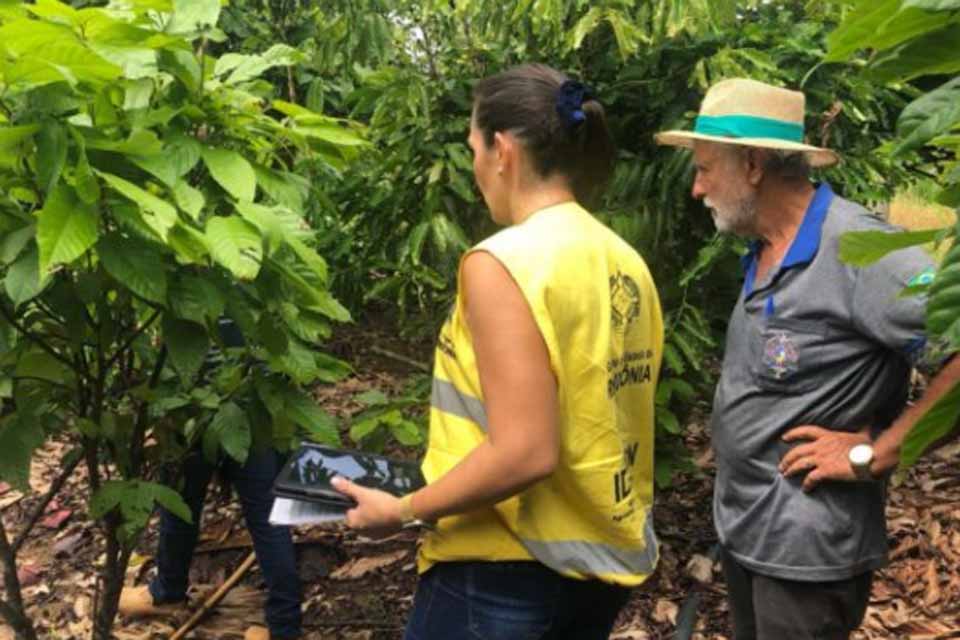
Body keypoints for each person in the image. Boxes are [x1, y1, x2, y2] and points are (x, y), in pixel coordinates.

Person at [331, 64, 663, 639]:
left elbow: (526, 451)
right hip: (595, 570)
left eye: (473, 148)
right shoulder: (623, 260)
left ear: (502, 150)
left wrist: (403, 511)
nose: (475, 166)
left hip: (502, 573)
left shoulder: (504, 262)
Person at [655, 78, 960, 639]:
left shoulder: (857, 250)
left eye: (704, 169)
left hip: (807, 554)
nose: (697, 189)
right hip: (750, 535)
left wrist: (878, 451)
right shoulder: (767, 243)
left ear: (751, 165)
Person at [118, 321, 302, 640]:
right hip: (222, 400)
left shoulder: (204, 278)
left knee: (259, 515)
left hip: (222, 399)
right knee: (184, 503)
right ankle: (168, 590)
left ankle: (283, 626)